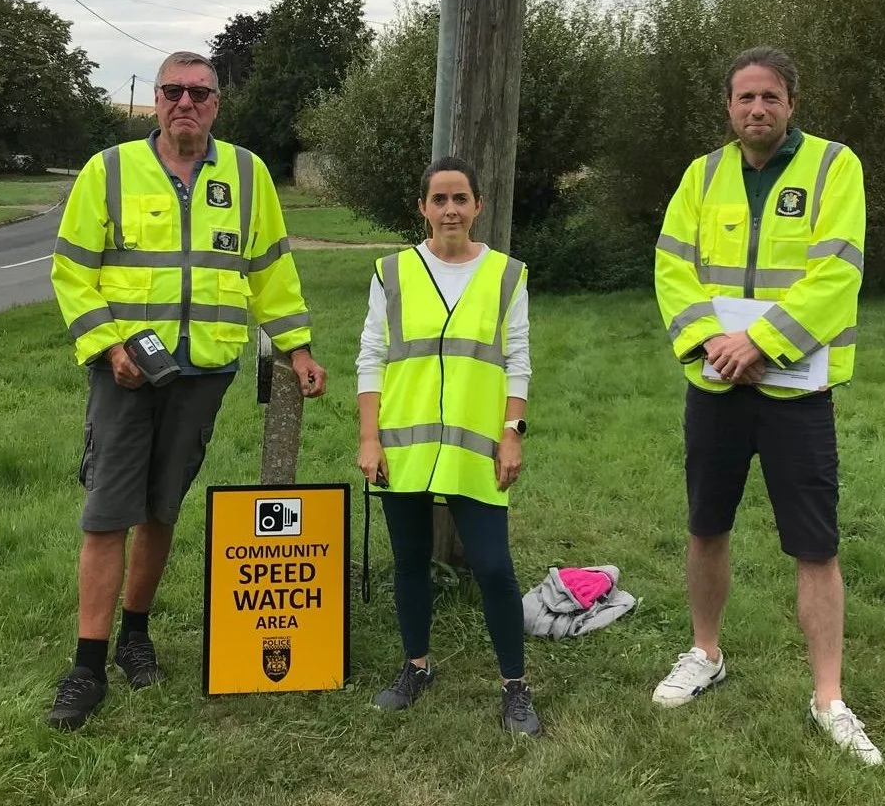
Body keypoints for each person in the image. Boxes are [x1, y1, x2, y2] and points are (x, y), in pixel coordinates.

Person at [47, 51, 327, 730]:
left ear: (216, 104)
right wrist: (109, 346)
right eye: (173, 90)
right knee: (107, 513)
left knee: (161, 508)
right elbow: (72, 270)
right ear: (157, 100)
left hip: (202, 372)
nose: (185, 103)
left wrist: (296, 346)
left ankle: (135, 635)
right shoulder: (109, 170)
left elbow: (270, 271)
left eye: (199, 93)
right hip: (124, 372)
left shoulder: (248, 174)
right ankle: (86, 666)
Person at [652, 46, 882, 765]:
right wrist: (714, 343)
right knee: (705, 526)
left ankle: (828, 698)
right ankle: (705, 652)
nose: (757, 108)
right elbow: (672, 266)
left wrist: (759, 342)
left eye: (770, 97)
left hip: (797, 390)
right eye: (745, 97)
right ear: (728, 106)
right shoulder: (701, 174)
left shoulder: (833, 166)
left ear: (791, 104)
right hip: (715, 387)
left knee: (815, 545)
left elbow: (836, 271)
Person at [356, 155, 540, 736]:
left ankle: (515, 686)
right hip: (403, 445)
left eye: (461, 198)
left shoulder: (507, 274)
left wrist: (511, 434)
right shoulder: (392, 272)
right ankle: (416, 667)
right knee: (410, 562)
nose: (451, 209)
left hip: (475, 447)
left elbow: (517, 360)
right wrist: (369, 438)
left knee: (493, 566)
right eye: (440, 199)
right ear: (423, 208)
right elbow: (371, 357)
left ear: (478, 205)